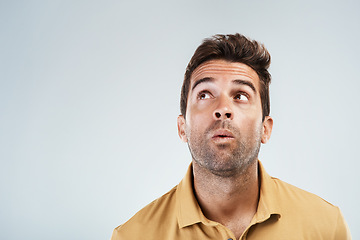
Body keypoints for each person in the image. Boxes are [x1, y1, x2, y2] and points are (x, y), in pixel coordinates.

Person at [111, 33, 351, 240]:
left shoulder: (326, 227)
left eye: (240, 95)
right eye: (204, 94)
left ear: (265, 129)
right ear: (182, 127)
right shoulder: (133, 235)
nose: (223, 108)